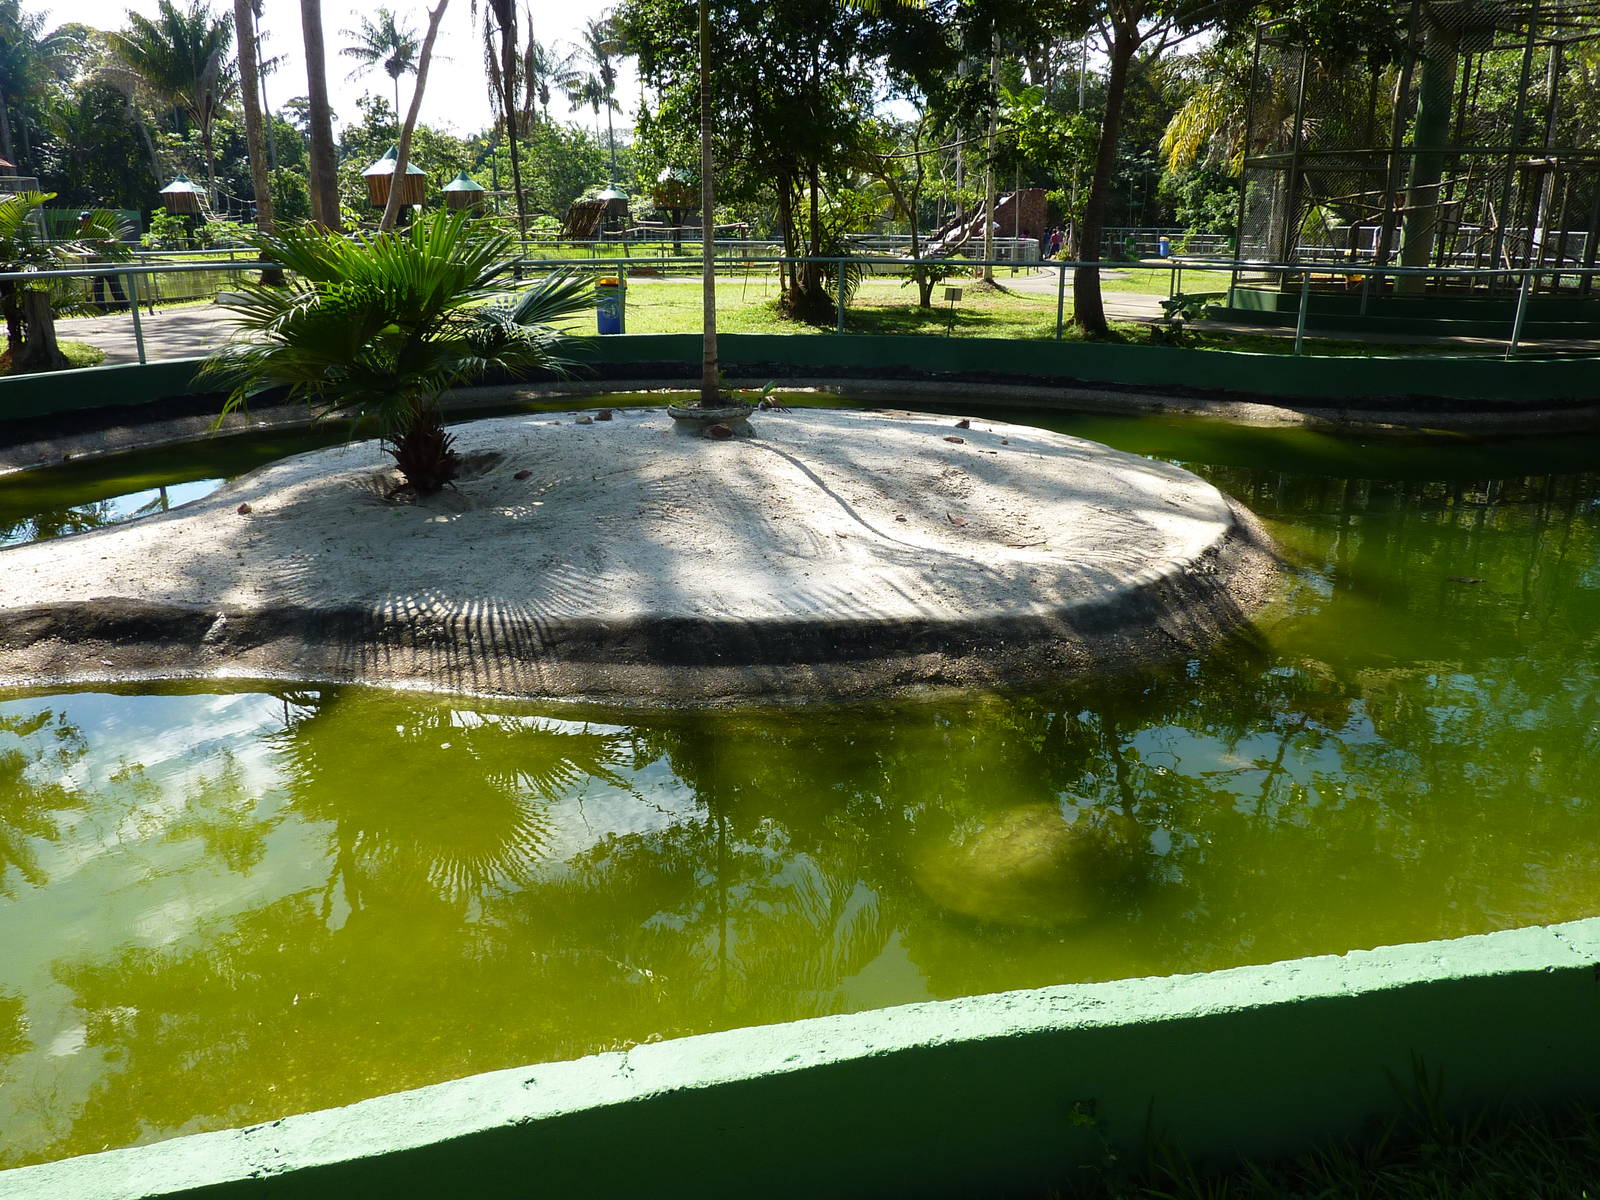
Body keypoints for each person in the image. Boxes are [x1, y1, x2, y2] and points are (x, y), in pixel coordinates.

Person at [78, 211, 129, 314]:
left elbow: (114, 240)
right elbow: (77, 246)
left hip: (106, 263)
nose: (82, 223)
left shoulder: (101, 230)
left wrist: (106, 242)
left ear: (89, 221)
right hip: (93, 266)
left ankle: (124, 307)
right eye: (81, 221)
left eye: (84, 220)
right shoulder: (80, 233)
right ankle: (102, 309)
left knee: (115, 286)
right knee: (98, 289)